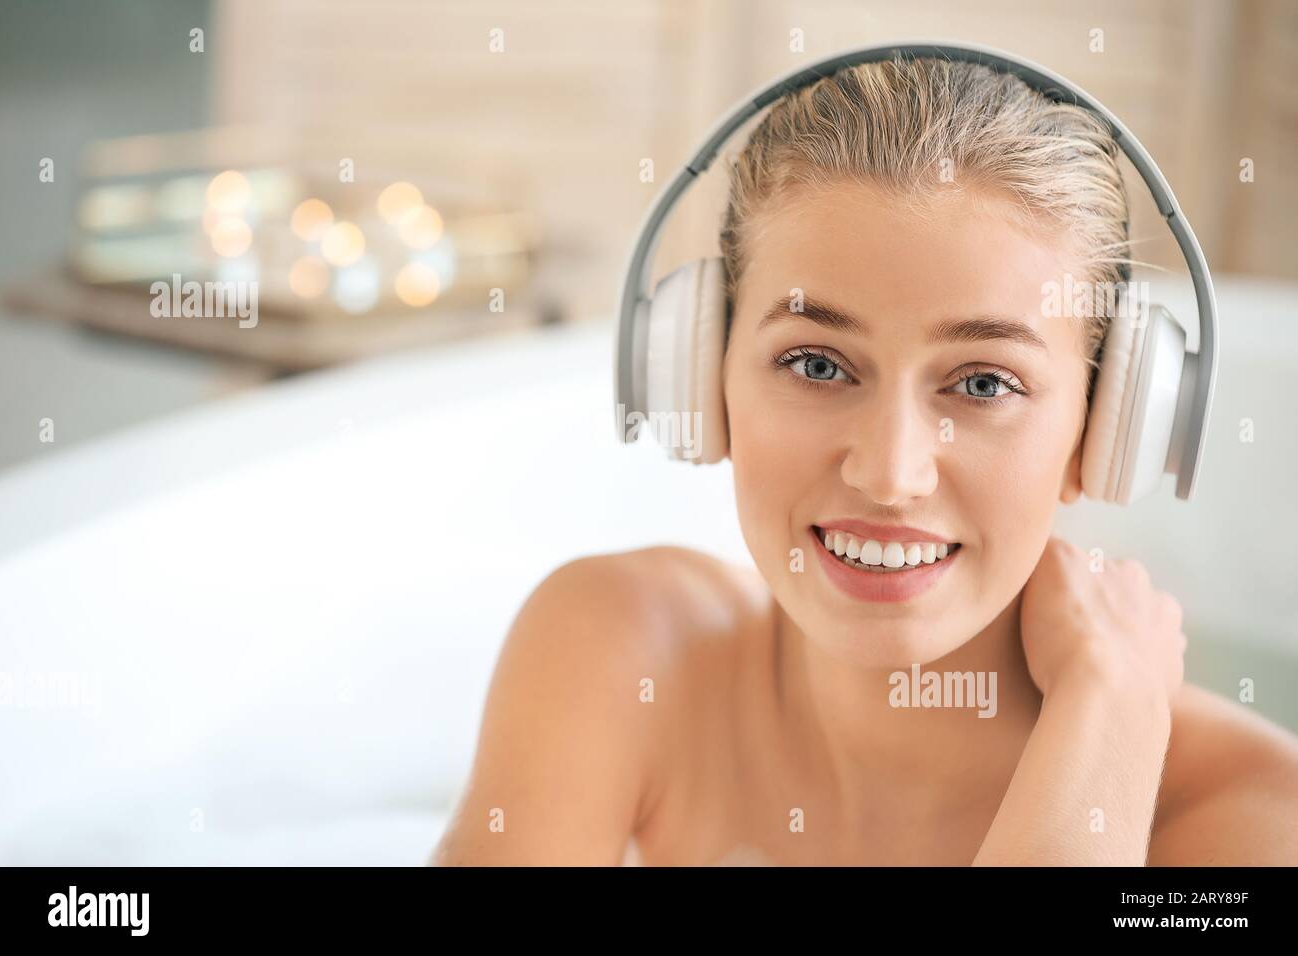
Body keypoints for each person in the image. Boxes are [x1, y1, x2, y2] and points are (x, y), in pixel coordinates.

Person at [432, 56, 1298, 866]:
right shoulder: (614, 651)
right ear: (703, 380)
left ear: (1108, 427)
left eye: (985, 383)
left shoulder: (1254, 818)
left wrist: (1113, 708)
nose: (890, 473)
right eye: (816, 364)